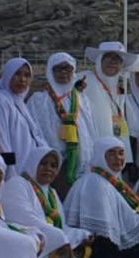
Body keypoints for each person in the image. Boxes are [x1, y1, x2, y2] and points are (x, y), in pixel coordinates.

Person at [64, 137, 139, 258]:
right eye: (111, 154)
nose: (118, 158)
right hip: (103, 253)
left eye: (121, 153)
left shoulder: (110, 179)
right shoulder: (96, 184)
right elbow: (103, 232)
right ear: (100, 156)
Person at [0, 146, 93, 258]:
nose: (48, 169)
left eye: (53, 166)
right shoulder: (18, 184)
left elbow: (62, 226)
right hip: (24, 233)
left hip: (45, 233)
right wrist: (56, 235)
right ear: (33, 163)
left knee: (86, 239)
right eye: (43, 164)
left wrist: (82, 234)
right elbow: (23, 218)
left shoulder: (52, 193)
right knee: (55, 238)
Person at [28, 53, 97, 188]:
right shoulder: (38, 100)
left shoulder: (82, 99)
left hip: (81, 161)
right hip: (52, 164)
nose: (64, 73)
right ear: (50, 71)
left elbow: (91, 130)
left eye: (68, 68)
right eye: (58, 69)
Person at [81, 42, 137, 167]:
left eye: (117, 59)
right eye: (108, 57)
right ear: (100, 60)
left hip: (115, 158)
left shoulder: (117, 89)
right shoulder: (84, 81)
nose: (112, 62)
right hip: (90, 155)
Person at [0, 58, 47, 170]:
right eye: (17, 74)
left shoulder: (19, 102)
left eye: (27, 75)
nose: (22, 79)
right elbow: (2, 138)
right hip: (14, 171)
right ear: (8, 75)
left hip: (29, 170)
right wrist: (10, 172)